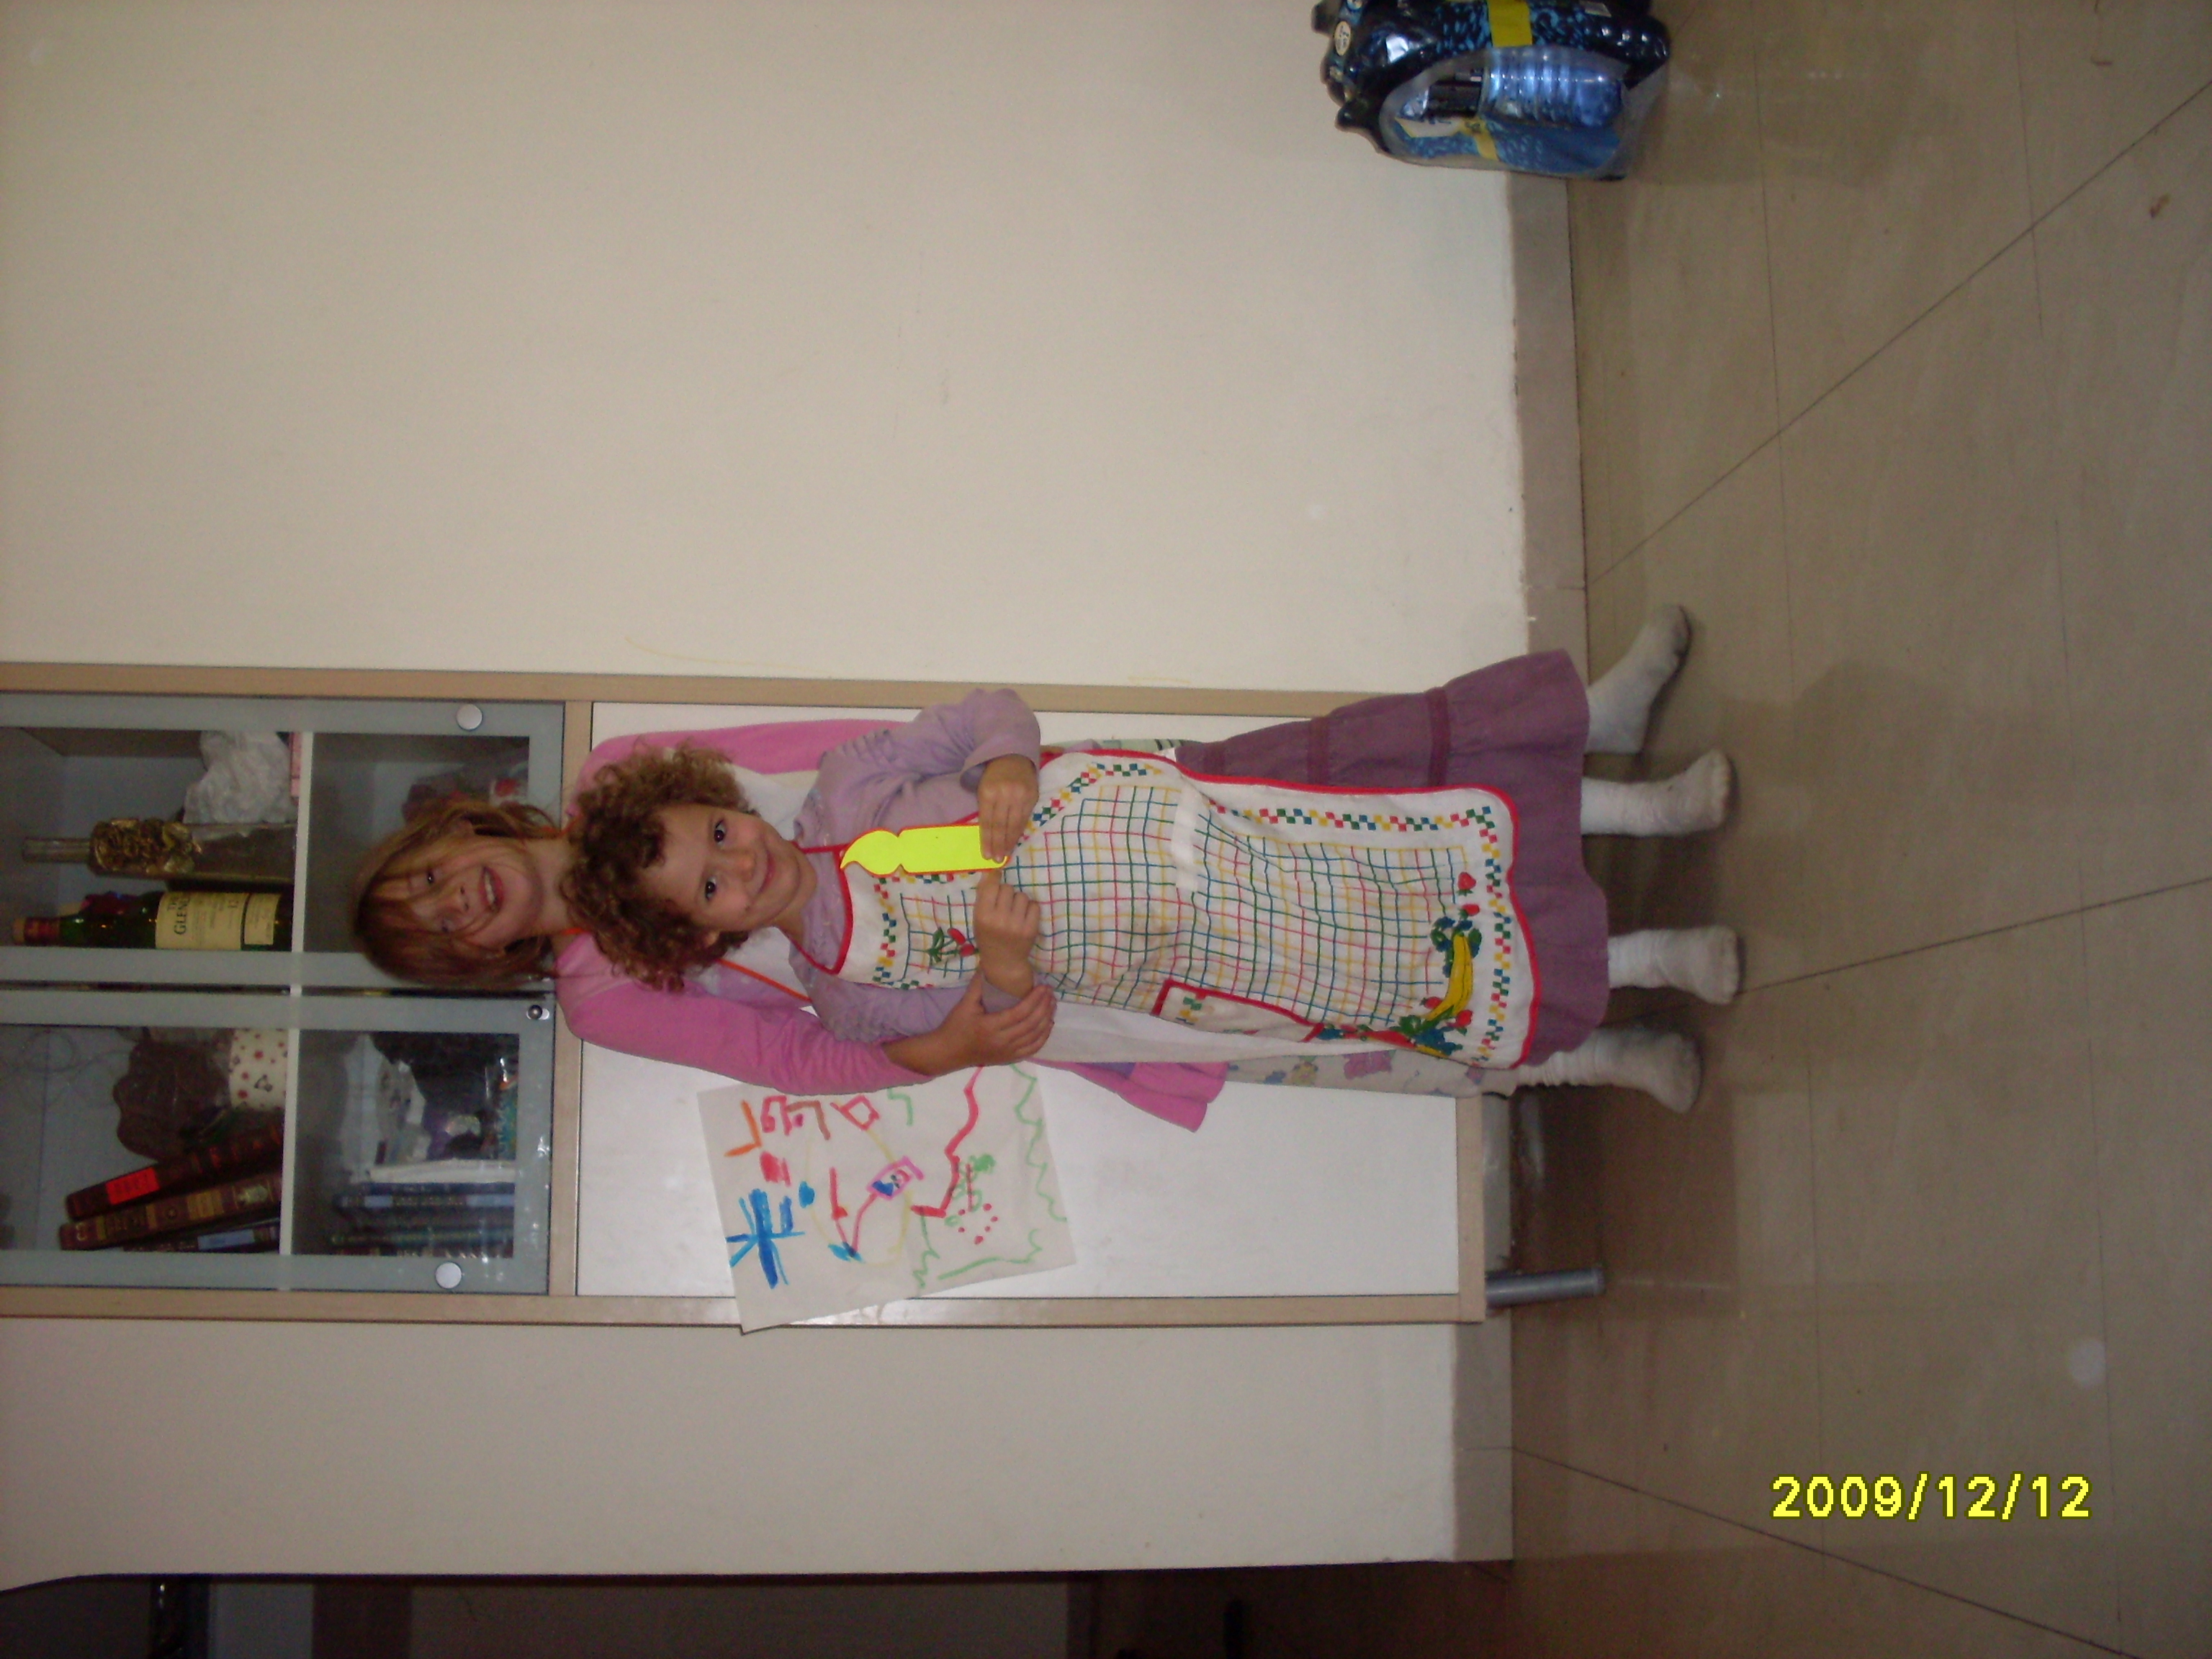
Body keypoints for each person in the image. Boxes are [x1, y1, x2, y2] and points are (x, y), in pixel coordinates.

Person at [558, 618, 1740, 1110]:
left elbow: (986, 710)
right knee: (1410, 954)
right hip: (1220, 950)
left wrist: (1008, 759)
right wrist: (1004, 971)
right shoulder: (844, 994)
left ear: (723, 799)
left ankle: (1642, 805)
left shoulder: (849, 782)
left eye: (718, 833)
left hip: (1208, 815)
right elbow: (969, 1032)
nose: (739, 863)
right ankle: (1645, 962)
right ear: (704, 936)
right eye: (708, 887)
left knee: (1409, 807)